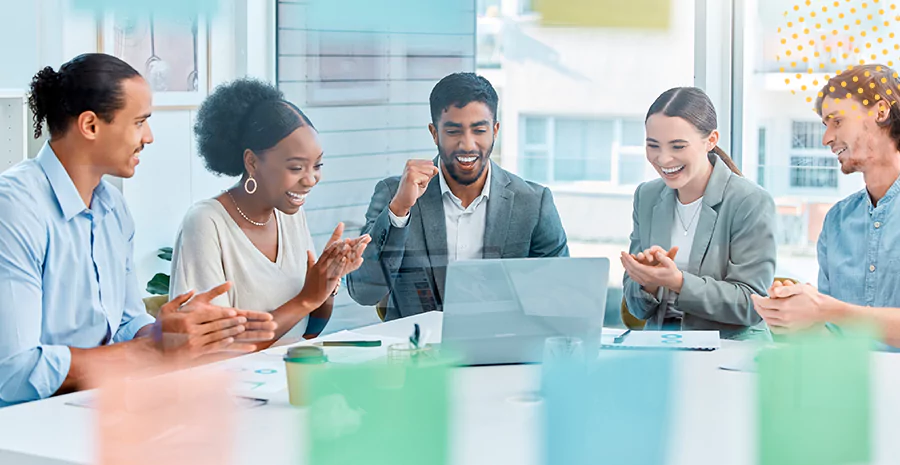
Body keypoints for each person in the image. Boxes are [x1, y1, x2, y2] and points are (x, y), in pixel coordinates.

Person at [0, 54, 277, 407]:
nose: (149, 137)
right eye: (139, 122)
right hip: (23, 427)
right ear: (90, 125)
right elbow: (14, 372)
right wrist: (151, 349)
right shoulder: (14, 209)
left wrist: (180, 334)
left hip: (95, 408)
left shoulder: (112, 209)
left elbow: (126, 325)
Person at [346, 72, 569, 321]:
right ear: (434, 133)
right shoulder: (393, 194)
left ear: (495, 130)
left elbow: (560, 297)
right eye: (453, 131)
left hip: (505, 351)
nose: (468, 144)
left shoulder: (533, 203)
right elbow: (365, 293)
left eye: (479, 130)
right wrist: (399, 211)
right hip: (418, 353)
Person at [169, 79, 370, 347]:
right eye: (297, 168)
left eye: (317, 165)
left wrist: (328, 282)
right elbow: (213, 349)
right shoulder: (206, 223)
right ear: (252, 162)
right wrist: (307, 298)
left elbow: (309, 331)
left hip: (282, 378)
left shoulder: (290, 214)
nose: (311, 179)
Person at [752, 64, 900, 346]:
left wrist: (828, 309)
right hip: (848, 383)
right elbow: (831, 336)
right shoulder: (838, 222)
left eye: (837, 121)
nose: (826, 138)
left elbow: (835, 314)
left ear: (880, 112)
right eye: (825, 125)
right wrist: (793, 318)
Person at [621, 87, 777, 340]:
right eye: (653, 145)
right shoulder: (647, 197)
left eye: (678, 146)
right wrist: (647, 283)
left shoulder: (749, 201)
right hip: (661, 348)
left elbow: (751, 306)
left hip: (729, 350)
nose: (664, 158)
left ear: (711, 140)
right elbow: (637, 310)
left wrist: (679, 282)